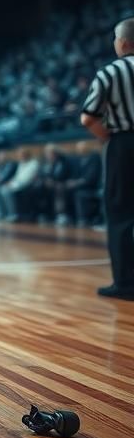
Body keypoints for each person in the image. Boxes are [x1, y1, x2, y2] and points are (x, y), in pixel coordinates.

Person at [80, 17, 134, 300]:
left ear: (123, 43)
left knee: (122, 214)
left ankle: (126, 284)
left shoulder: (109, 72)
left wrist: (108, 137)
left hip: (124, 144)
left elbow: (88, 117)